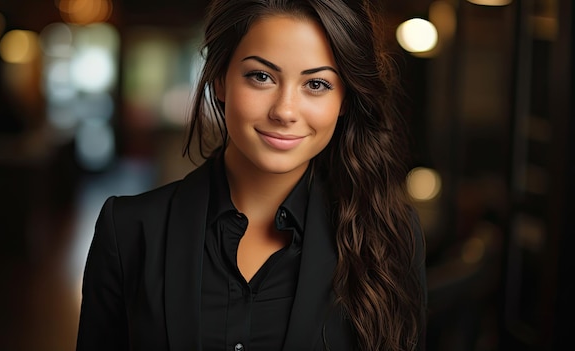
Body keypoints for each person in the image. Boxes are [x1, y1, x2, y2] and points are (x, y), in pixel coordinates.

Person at [76, 0, 427, 350]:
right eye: (261, 77)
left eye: (317, 84)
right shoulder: (127, 231)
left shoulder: (389, 236)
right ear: (219, 80)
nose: (285, 111)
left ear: (345, 100)